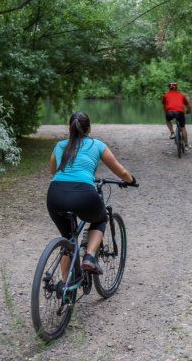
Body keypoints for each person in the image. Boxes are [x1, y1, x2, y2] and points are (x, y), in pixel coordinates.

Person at [46, 112, 135, 275]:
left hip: (55, 194)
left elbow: (53, 171)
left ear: (70, 128)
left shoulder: (59, 146)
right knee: (101, 219)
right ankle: (89, 257)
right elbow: (121, 171)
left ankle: (64, 288)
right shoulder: (97, 145)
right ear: (89, 128)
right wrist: (131, 180)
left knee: (67, 239)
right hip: (83, 193)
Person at [162, 82, 191, 149]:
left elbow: (164, 106)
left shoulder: (165, 95)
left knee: (167, 119)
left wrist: (166, 113)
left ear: (169, 88)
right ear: (177, 87)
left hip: (170, 112)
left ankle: (172, 133)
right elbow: (188, 106)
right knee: (183, 128)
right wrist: (188, 111)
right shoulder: (181, 95)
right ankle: (186, 145)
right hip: (180, 112)